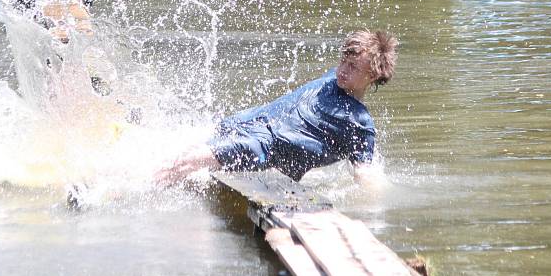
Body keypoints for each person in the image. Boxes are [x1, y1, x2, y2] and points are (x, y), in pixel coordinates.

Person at [159, 29, 398, 184]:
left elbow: (364, 175)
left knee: (187, 161)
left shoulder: (359, 123)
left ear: (374, 75)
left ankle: (136, 190)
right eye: (343, 61)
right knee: (184, 150)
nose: (343, 70)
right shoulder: (332, 79)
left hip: (262, 146)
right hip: (248, 122)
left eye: (353, 67)